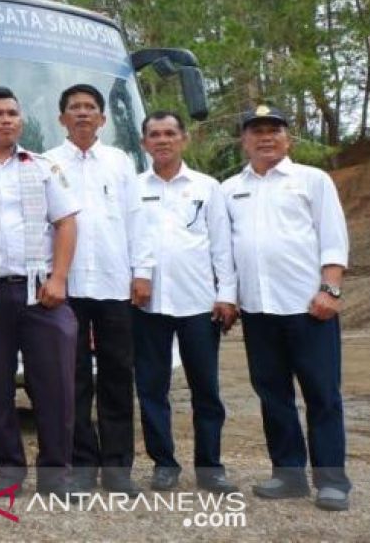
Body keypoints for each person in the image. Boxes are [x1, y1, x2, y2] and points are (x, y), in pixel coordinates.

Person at [223, 105, 352, 511]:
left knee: (321, 394)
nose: (265, 137)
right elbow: (226, 251)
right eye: (257, 131)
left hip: (308, 308)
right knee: (273, 395)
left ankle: (332, 480)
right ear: (244, 140)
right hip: (258, 311)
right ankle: (288, 474)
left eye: (274, 130)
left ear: (287, 138)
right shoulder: (229, 189)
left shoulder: (312, 180)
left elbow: (333, 237)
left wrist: (330, 289)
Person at [44, 83, 153, 496]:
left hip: (114, 283)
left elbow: (135, 218)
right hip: (67, 286)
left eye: (91, 107)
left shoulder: (120, 162)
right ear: (62, 119)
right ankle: (83, 463)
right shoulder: (48, 162)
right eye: (75, 107)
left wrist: (141, 272)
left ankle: (118, 466)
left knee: (116, 375)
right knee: (72, 378)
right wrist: (50, 278)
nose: (83, 113)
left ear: (103, 119)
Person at [0, 87, 79, 498]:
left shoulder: (41, 167)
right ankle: (9, 476)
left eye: (13, 113)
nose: (7, 120)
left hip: (41, 292)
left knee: (54, 387)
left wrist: (60, 279)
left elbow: (67, 222)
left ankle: (57, 476)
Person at [135, 111, 239, 493]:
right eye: (154, 135)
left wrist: (227, 294)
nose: (162, 140)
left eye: (169, 133)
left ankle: (210, 466)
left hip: (199, 303)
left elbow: (221, 245)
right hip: (147, 305)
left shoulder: (207, 187)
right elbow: (131, 241)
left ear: (184, 139)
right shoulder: (135, 188)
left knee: (205, 390)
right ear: (144, 143)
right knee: (150, 388)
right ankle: (164, 463)